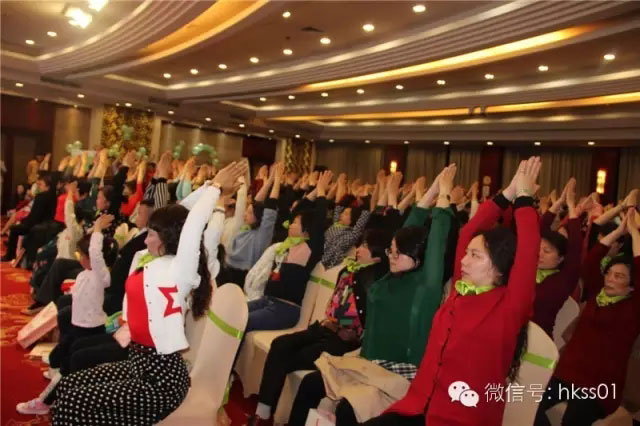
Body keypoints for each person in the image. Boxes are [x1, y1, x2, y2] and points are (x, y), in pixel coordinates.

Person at [49, 161, 246, 425]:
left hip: (160, 381)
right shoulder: (149, 257)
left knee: (72, 404)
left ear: (167, 238)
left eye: (152, 234)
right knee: (67, 386)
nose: (146, 238)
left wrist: (216, 190)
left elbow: (191, 226)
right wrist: (210, 185)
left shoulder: (180, 270)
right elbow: (179, 213)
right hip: (137, 362)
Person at [363, 156, 541, 426]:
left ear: (500, 267)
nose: (464, 261)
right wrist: (507, 194)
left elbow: (528, 251)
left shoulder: (509, 306)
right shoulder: (462, 290)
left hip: (460, 418)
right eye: (466, 254)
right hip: (420, 405)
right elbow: (469, 231)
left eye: (475, 256)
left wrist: (524, 198)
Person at [289, 165, 457, 426]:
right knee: (310, 384)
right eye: (390, 251)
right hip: (366, 363)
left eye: (398, 253)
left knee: (348, 410)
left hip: (396, 375)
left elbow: (436, 242)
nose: (391, 257)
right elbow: (405, 233)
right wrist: (430, 192)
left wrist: (444, 196)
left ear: (418, 257)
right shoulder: (391, 275)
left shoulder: (425, 288)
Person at [248, 229, 392, 425]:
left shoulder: (376, 280)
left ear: (378, 254)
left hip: (343, 342)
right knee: (280, 344)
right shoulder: (348, 269)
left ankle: (278, 415)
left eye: (365, 246)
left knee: (294, 356)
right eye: (360, 245)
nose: (358, 249)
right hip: (323, 328)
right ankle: (263, 414)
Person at [534, 209, 640, 426]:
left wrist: (634, 232)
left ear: (631, 287)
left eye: (619, 276)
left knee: (571, 420)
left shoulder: (632, 308)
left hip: (599, 387)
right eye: (609, 273)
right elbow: (591, 261)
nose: (610, 279)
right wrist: (619, 230)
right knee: (529, 405)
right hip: (566, 374)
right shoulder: (596, 295)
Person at [533, 177, 583, 336]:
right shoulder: (527, 271)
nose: (540, 254)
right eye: (539, 249)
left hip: (540, 339)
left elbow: (575, 247)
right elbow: (538, 230)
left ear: (561, 258)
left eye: (547, 251)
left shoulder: (564, 279)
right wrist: (559, 202)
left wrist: (571, 206)